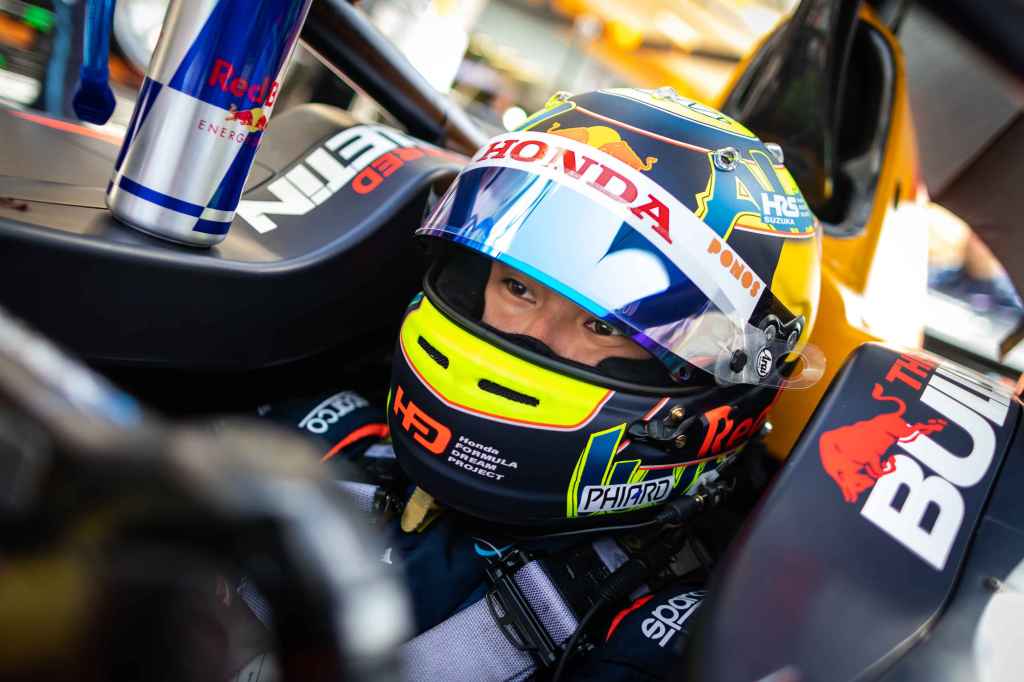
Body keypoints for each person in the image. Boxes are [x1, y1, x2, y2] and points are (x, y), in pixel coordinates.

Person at [252, 87, 823, 681]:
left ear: (713, 377)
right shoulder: (315, 431)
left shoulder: (663, 642)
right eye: (517, 288)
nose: (531, 338)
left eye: (601, 325)